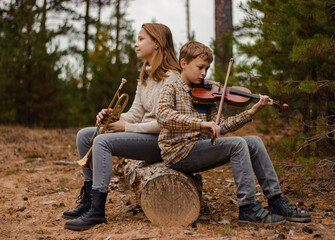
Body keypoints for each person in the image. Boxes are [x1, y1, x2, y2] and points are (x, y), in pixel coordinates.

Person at [156, 41, 311, 224]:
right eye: (200, 67)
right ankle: (248, 208)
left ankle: (276, 200)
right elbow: (163, 115)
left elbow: (221, 125)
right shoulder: (171, 87)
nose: (204, 73)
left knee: (253, 141)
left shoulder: (207, 93)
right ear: (183, 63)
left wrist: (252, 111)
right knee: (237, 144)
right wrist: (200, 124)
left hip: (199, 149)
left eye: (207, 68)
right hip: (179, 153)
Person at [63, 23, 181, 231]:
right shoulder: (146, 72)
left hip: (162, 142)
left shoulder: (172, 77)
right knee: (84, 135)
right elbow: (135, 113)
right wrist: (112, 116)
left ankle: (97, 212)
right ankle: (89, 200)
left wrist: (127, 127)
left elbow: (165, 124)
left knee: (103, 141)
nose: (136, 44)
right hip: (143, 134)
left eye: (141, 39)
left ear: (156, 43)